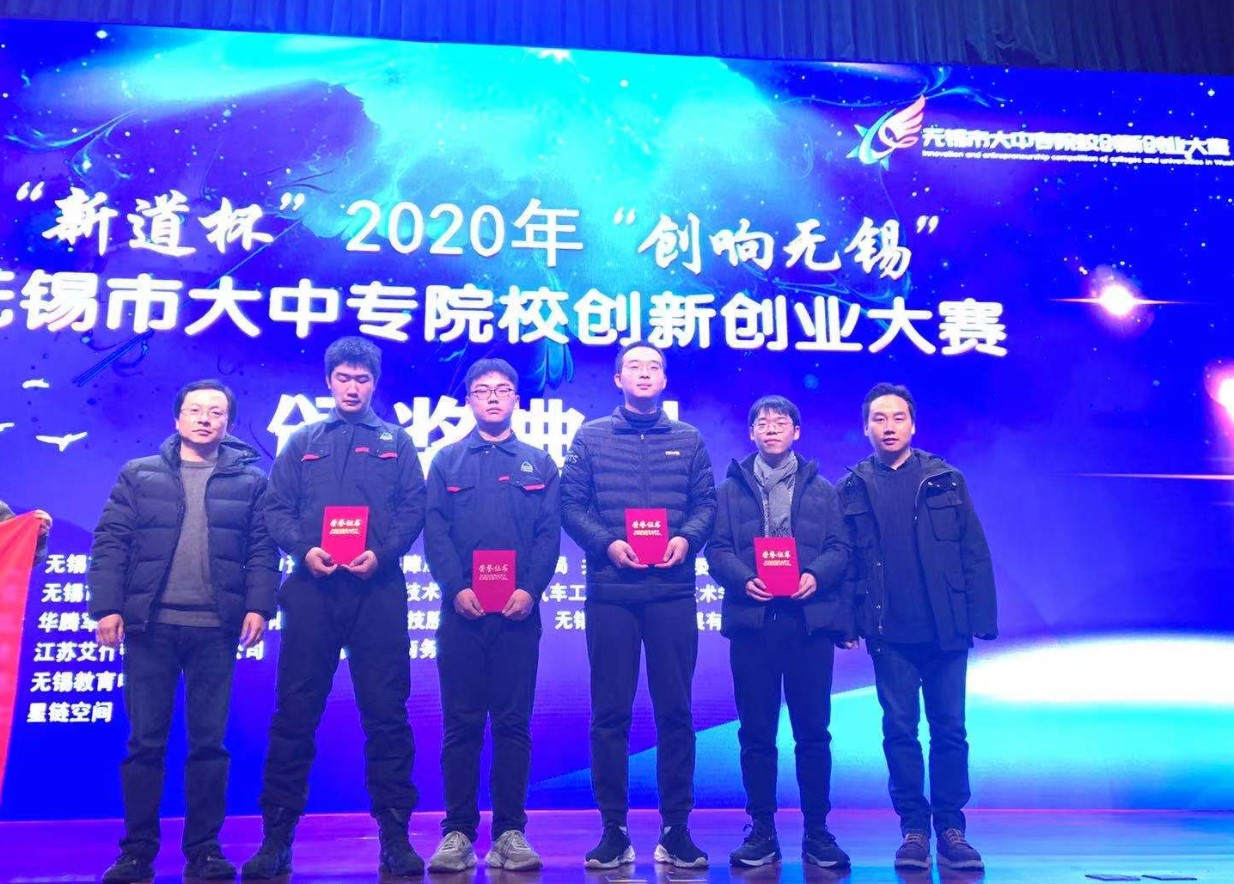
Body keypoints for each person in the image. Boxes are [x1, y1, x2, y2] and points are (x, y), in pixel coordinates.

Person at [244, 336, 427, 880]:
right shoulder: (302, 440)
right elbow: (276, 509)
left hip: (378, 590)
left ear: (374, 384)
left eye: (362, 379)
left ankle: (395, 838)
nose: (352, 388)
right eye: (343, 378)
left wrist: (382, 554)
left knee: (387, 715)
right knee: (295, 714)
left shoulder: (396, 441)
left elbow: (414, 507)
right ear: (329, 382)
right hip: (312, 590)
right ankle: (276, 839)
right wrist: (305, 549)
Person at [88, 380, 278, 883]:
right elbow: (110, 543)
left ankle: (204, 850)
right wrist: (107, 606)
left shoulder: (252, 482)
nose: (204, 419)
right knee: (144, 743)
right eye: (195, 410)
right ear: (177, 419)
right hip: (150, 628)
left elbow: (263, 549)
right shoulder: (139, 474)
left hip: (216, 630)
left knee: (209, 744)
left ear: (228, 424)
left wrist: (259, 605)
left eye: (216, 412)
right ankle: (136, 853)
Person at [561, 341, 717, 870]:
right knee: (610, 714)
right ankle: (614, 830)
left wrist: (687, 539)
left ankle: (677, 829)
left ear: (664, 380)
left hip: (672, 591)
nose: (644, 373)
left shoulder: (688, 438)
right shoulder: (591, 436)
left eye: (653, 367)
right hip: (613, 592)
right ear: (618, 379)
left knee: (677, 712)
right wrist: (606, 543)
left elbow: (706, 504)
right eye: (634, 366)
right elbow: (571, 505)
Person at [835, 383, 997, 872]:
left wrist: (981, 619)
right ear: (866, 427)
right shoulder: (852, 487)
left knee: (950, 731)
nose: (889, 427)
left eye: (897, 418)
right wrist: (848, 622)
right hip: (889, 633)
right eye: (879, 419)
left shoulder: (945, 480)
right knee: (900, 731)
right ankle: (912, 829)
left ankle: (951, 828)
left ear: (913, 424)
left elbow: (973, 551)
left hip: (946, 630)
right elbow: (845, 564)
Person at [422, 358, 561, 873]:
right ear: (470, 401)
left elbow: (549, 534)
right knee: (460, 725)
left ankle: (509, 833)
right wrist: (455, 588)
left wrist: (530, 589)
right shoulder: (447, 460)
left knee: (512, 724)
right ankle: (457, 832)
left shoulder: (538, 463)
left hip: (518, 615)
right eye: (483, 391)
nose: (494, 398)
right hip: (462, 614)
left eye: (504, 390)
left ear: (516, 400)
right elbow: (435, 531)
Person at [706, 395, 853, 870]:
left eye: (781, 422)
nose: (771, 428)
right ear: (751, 433)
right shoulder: (728, 491)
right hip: (754, 622)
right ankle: (762, 831)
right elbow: (716, 550)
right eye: (762, 423)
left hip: (808, 623)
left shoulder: (823, 490)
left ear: (796, 432)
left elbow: (840, 548)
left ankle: (818, 832)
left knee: (813, 732)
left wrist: (816, 575)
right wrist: (741, 578)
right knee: (756, 732)